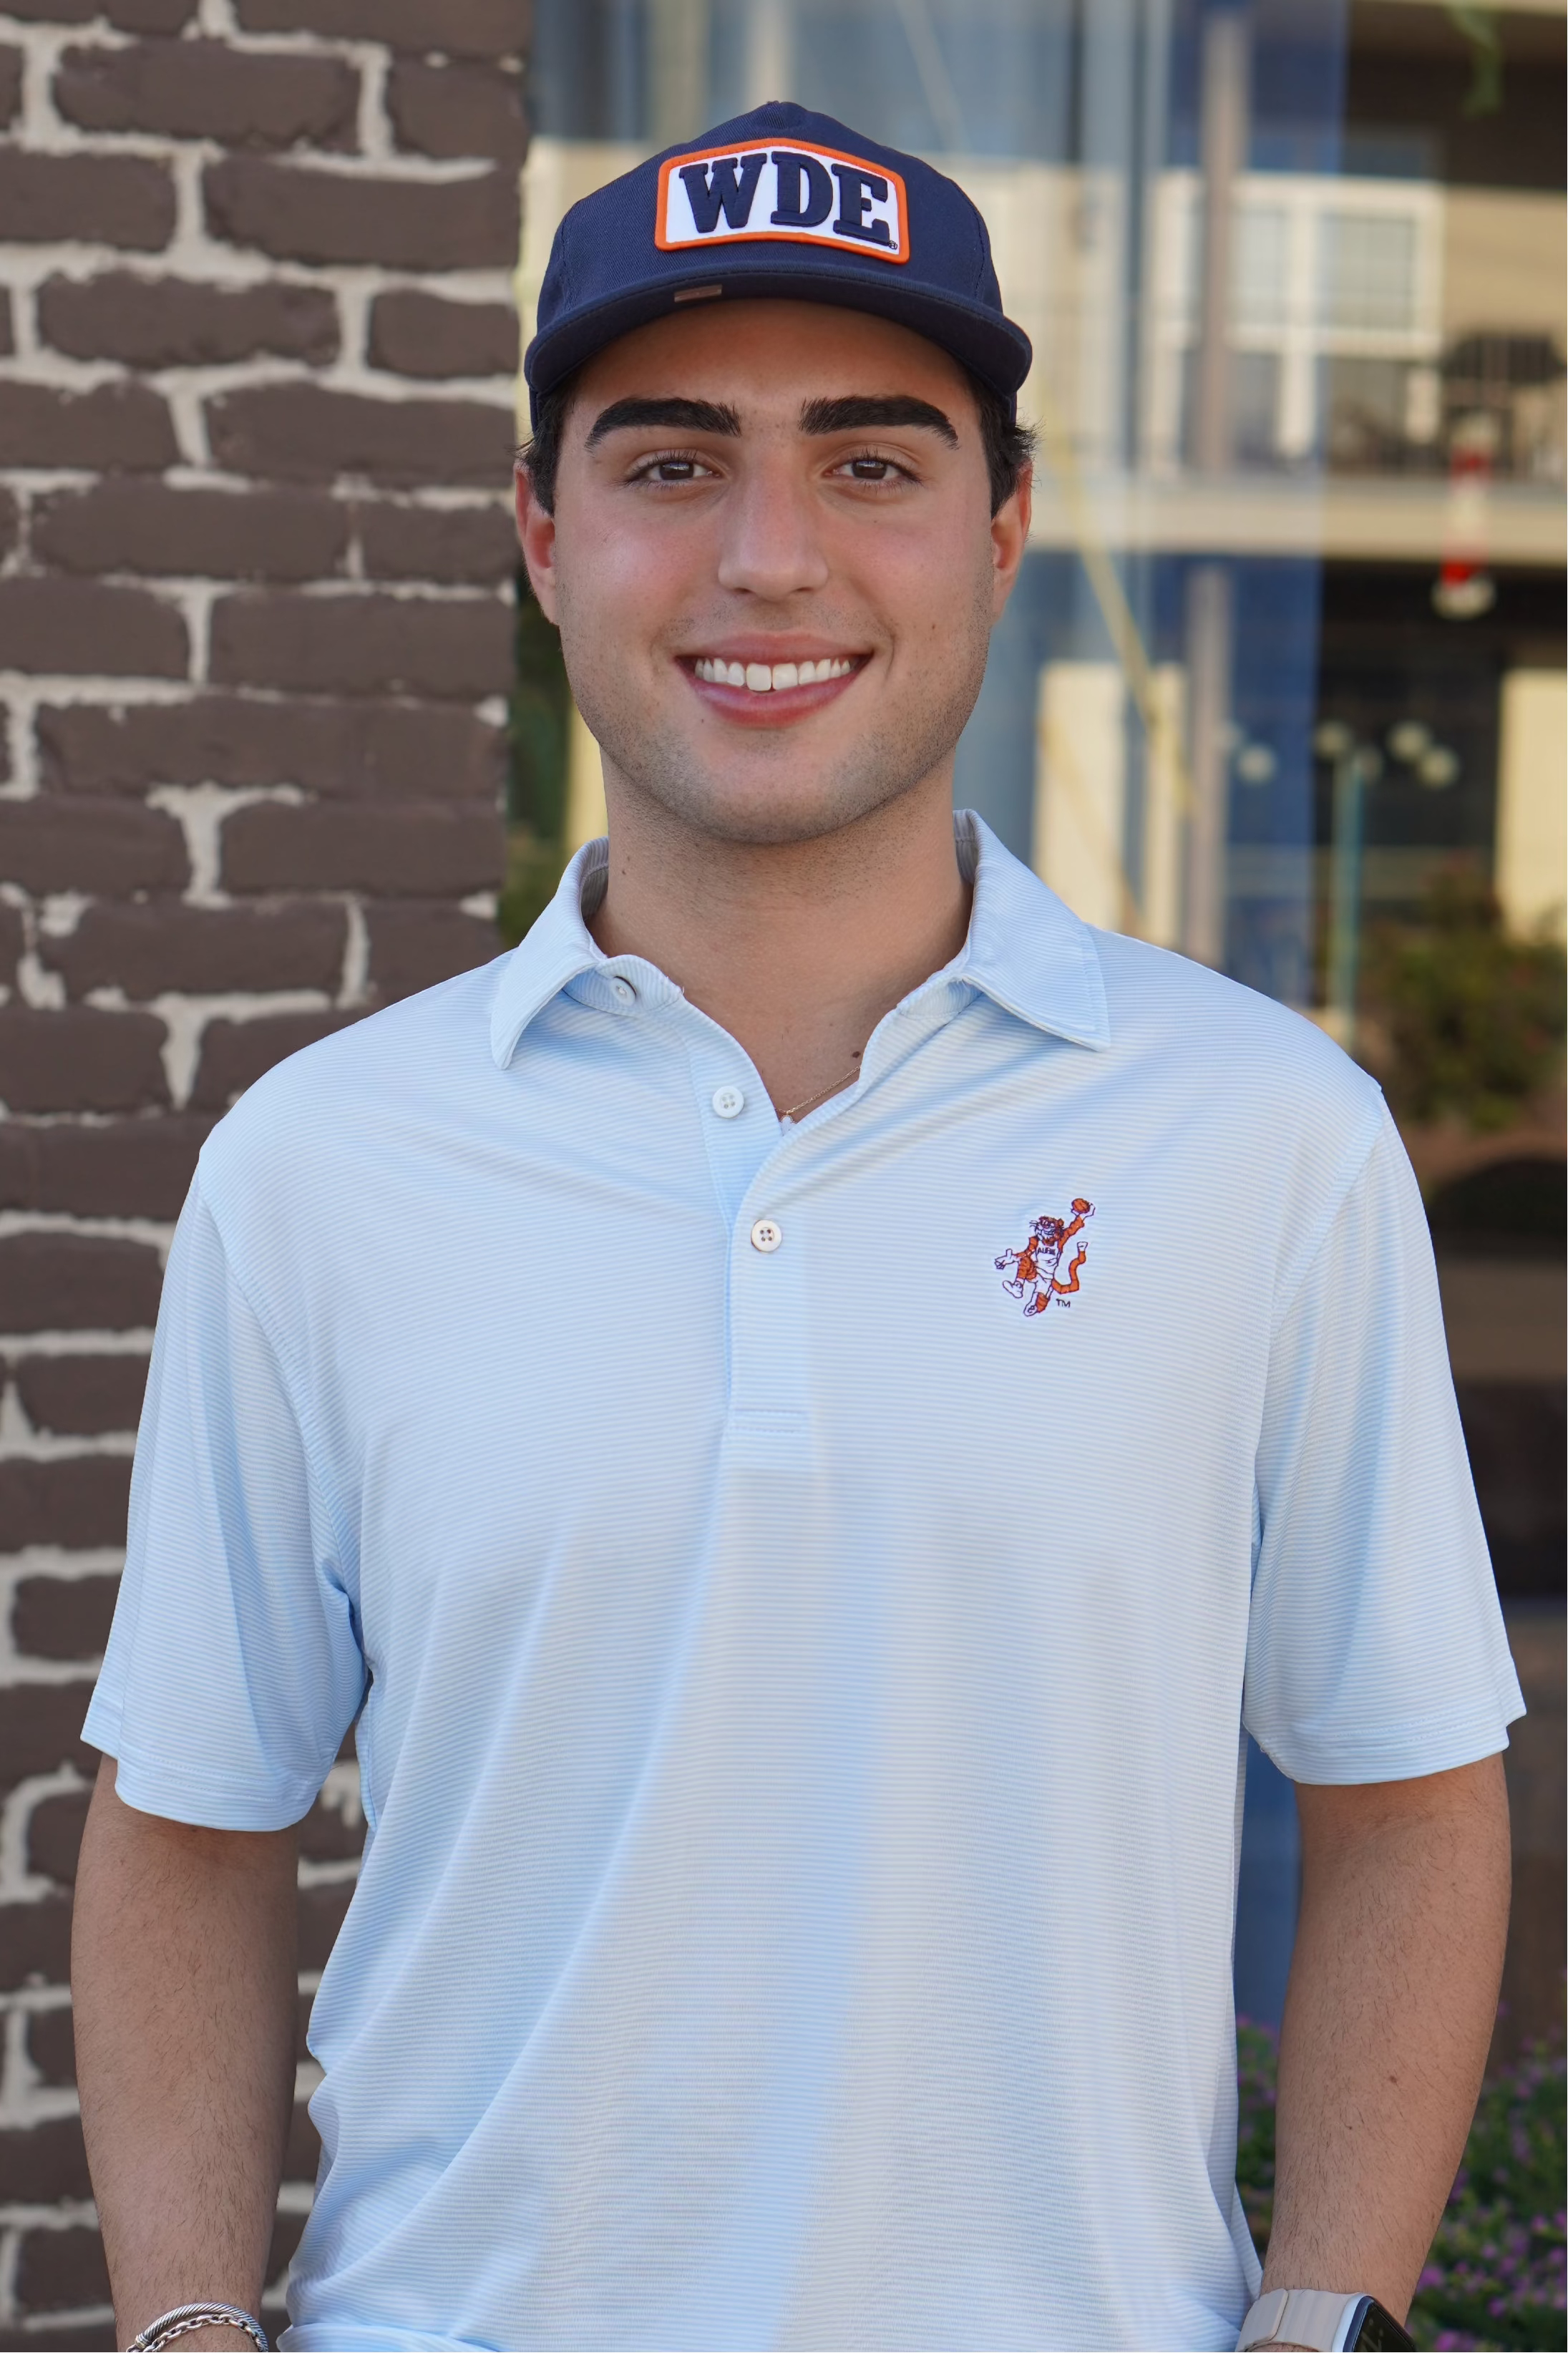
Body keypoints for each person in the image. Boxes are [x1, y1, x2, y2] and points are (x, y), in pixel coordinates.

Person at [73, 102, 1520, 2353]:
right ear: (540, 538)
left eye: (872, 460)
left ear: (1004, 527)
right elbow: (190, 1819)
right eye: (669, 464)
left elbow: (1407, 1788)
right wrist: (182, 2325)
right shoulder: (319, 1164)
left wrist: (1325, 2311)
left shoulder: (1265, 1138)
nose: (770, 556)